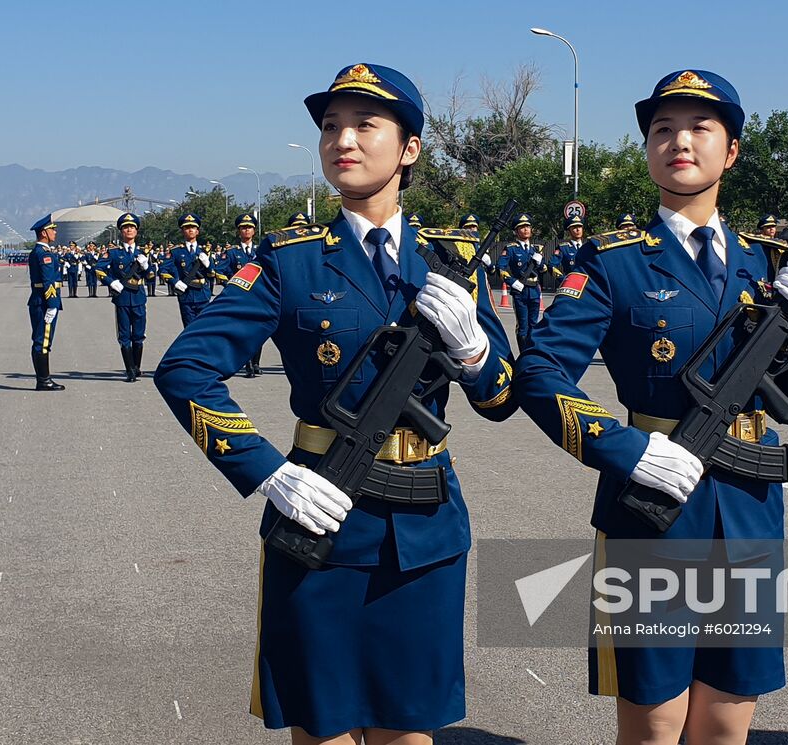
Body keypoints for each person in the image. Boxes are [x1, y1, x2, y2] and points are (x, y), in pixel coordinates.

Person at [154, 61, 517, 745]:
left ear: (409, 149)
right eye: (329, 127)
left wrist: (473, 349)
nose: (341, 140)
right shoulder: (290, 260)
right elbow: (185, 369)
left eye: (363, 125)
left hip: (426, 529)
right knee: (322, 732)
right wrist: (266, 470)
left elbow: (500, 396)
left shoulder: (452, 259)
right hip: (319, 519)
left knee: (408, 733)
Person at [513, 68, 788, 745]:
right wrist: (630, 451)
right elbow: (540, 373)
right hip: (651, 515)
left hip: (748, 510)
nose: (679, 141)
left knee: (726, 720)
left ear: (733, 149)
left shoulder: (768, 265)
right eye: (663, 129)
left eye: (699, 128)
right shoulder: (612, 261)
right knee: (654, 723)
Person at [94, 212, 156, 382]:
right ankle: (129, 370)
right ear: (121, 231)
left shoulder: (143, 252)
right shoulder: (114, 253)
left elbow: (151, 277)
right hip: (122, 298)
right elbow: (98, 269)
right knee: (124, 335)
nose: (129, 230)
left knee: (138, 335)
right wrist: (110, 282)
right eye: (125, 227)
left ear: (137, 231)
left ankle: (137, 367)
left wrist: (145, 266)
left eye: (132, 227)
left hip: (138, 297)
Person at [220, 213, 262, 377]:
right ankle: (248, 363)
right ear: (239, 231)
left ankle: (256, 362)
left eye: (249, 227)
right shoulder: (232, 253)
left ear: (254, 230)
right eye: (243, 228)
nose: (246, 230)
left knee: (258, 330)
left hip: (259, 297)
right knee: (242, 331)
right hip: (240, 298)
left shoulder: (261, 250)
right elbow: (220, 272)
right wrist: (231, 287)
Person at [27, 215, 65, 391]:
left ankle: (43, 378)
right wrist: (52, 304)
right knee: (42, 341)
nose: (55, 232)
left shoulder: (40, 252)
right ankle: (44, 380)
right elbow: (48, 281)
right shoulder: (44, 254)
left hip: (39, 301)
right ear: (44, 232)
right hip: (44, 302)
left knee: (41, 340)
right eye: (52, 229)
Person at [498, 213, 547, 349]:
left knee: (534, 325)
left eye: (528, 227)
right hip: (520, 291)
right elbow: (500, 268)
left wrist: (540, 264)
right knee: (523, 326)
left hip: (534, 290)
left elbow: (544, 270)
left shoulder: (536, 249)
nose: (526, 229)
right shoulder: (511, 249)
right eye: (522, 227)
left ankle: (532, 353)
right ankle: (523, 355)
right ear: (516, 231)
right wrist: (512, 281)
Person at [160, 212, 217, 328]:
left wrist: (208, 264)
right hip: (186, 295)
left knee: (205, 329)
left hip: (203, 295)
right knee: (189, 329)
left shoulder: (204, 252)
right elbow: (163, 270)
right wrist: (175, 282)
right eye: (187, 228)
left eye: (193, 227)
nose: (190, 230)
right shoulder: (176, 252)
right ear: (182, 231)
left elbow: (212, 274)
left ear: (197, 231)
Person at [551, 214, 586, 281]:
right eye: (574, 227)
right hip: (572, 285)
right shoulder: (563, 248)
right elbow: (552, 265)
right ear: (569, 230)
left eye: (580, 227)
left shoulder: (588, 247)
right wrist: (564, 279)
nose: (578, 229)